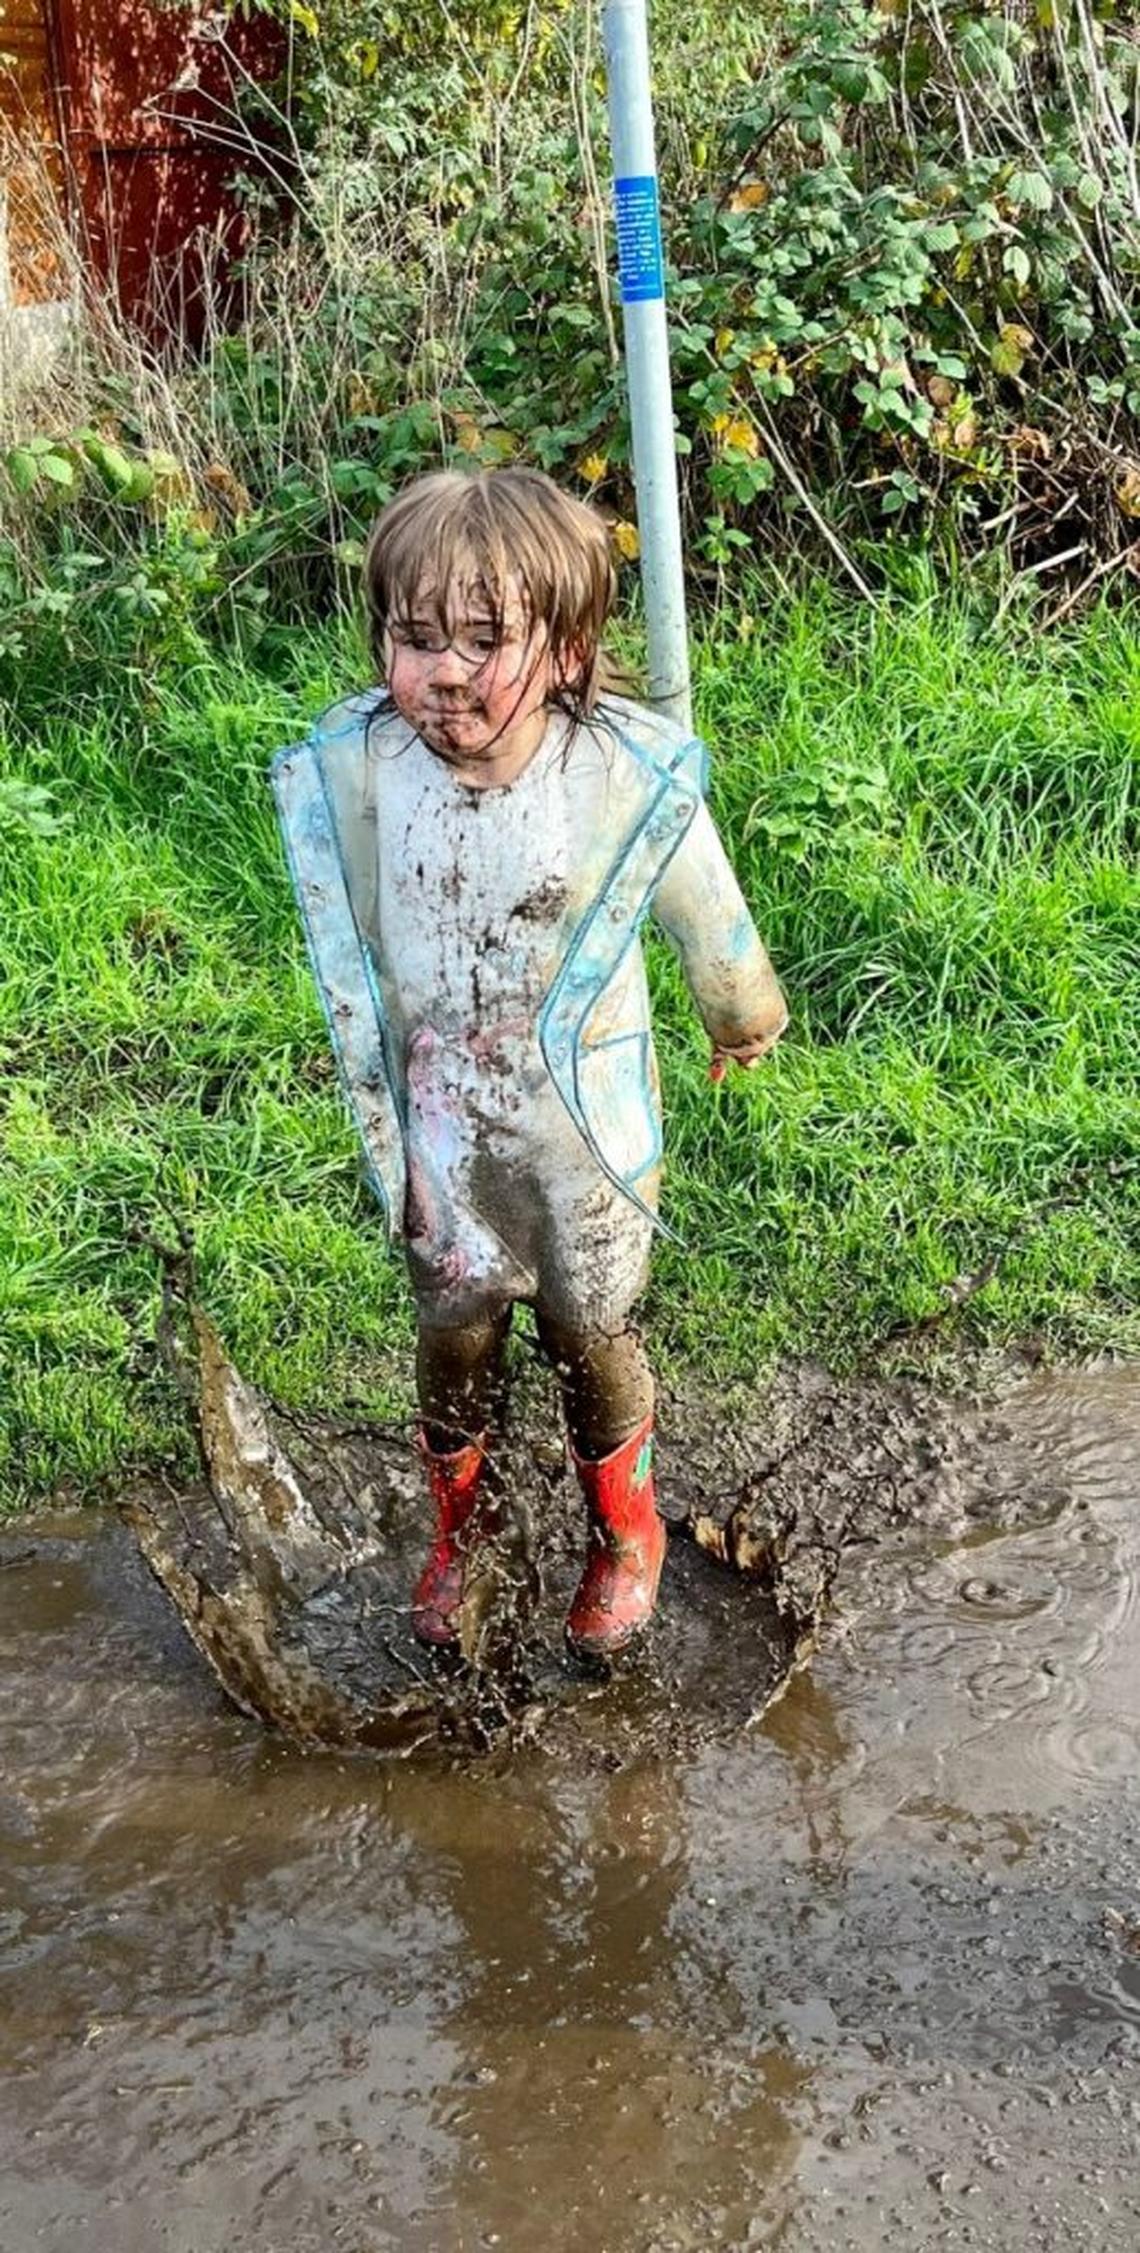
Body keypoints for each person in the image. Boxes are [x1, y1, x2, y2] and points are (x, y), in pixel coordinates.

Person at [271, 467, 787, 1660]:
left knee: (586, 1326)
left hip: (576, 1126)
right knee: (453, 1330)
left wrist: (738, 1005)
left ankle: (624, 1538)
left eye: (484, 641)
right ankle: (473, 1535)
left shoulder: (615, 776)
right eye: (414, 638)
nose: (443, 672)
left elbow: (701, 901)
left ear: (565, 651)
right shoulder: (368, 770)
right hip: (445, 1121)